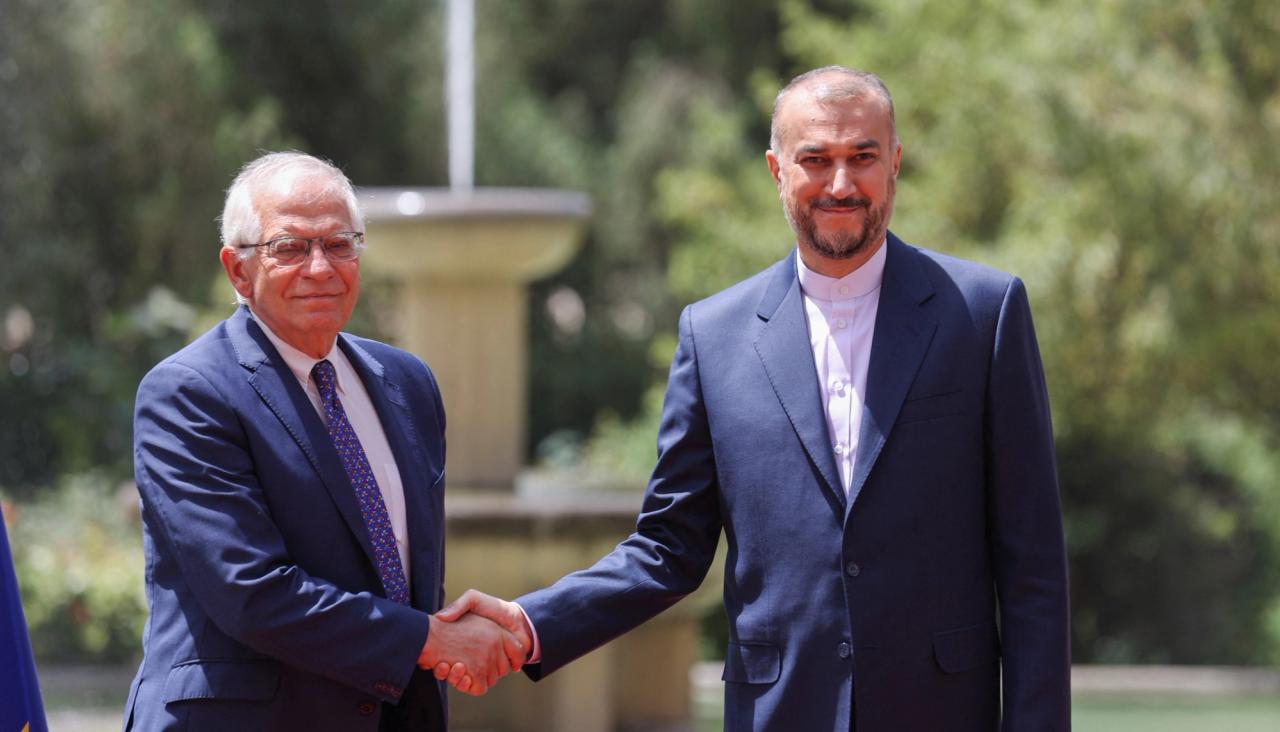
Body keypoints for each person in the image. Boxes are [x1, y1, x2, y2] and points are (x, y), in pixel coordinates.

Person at [437, 67, 1071, 730]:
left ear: (896, 163)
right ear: (775, 169)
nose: (841, 184)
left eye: (863, 157)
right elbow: (668, 549)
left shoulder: (984, 313)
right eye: (815, 160)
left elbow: (1033, 568)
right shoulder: (711, 337)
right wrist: (528, 622)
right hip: (779, 711)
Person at [123, 152, 525, 732]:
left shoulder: (408, 383)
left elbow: (411, 569)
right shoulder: (189, 392)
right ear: (238, 270)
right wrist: (428, 642)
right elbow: (251, 592)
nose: (320, 267)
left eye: (340, 244)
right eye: (289, 247)